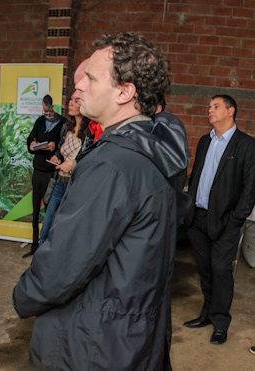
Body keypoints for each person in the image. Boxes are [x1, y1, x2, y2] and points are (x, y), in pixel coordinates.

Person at [13, 32, 186, 369]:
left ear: (125, 92)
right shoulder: (150, 149)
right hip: (129, 333)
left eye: (91, 78)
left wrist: (25, 294)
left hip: (94, 341)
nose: (81, 87)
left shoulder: (112, 164)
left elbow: (66, 262)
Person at [183, 94, 255, 345]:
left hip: (225, 221)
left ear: (230, 110)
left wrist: (236, 219)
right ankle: (207, 313)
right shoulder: (205, 141)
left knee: (221, 270)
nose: (209, 111)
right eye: (208, 107)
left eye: (215, 107)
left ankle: (221, 322)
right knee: (204, 270)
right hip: (198, 218)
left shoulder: (245, 145)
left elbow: (250, 187)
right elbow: (197, 177)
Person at [38, 97, 85, 245]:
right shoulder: (66, 127)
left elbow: (90, 157)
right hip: (59, 182)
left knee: (67, 228)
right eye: (70, 100)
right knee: (46, 227)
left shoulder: (90, 132)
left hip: (76, 186)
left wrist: (74, 164)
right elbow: (60, 149)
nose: (70, 103)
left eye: (76, 101)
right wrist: (57, 158)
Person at [24, 94, 64, 257]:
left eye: (48, 109)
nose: (46, 111)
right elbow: (30, 138)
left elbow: (65, 146)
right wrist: (32, 145)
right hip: (38, 170)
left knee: (50, 211)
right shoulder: (40, 121)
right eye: (45, 109)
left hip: (51, 172)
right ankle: (34, 245)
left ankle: (47, 248)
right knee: (35, 209)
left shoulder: (62, 123)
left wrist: (55, 148)